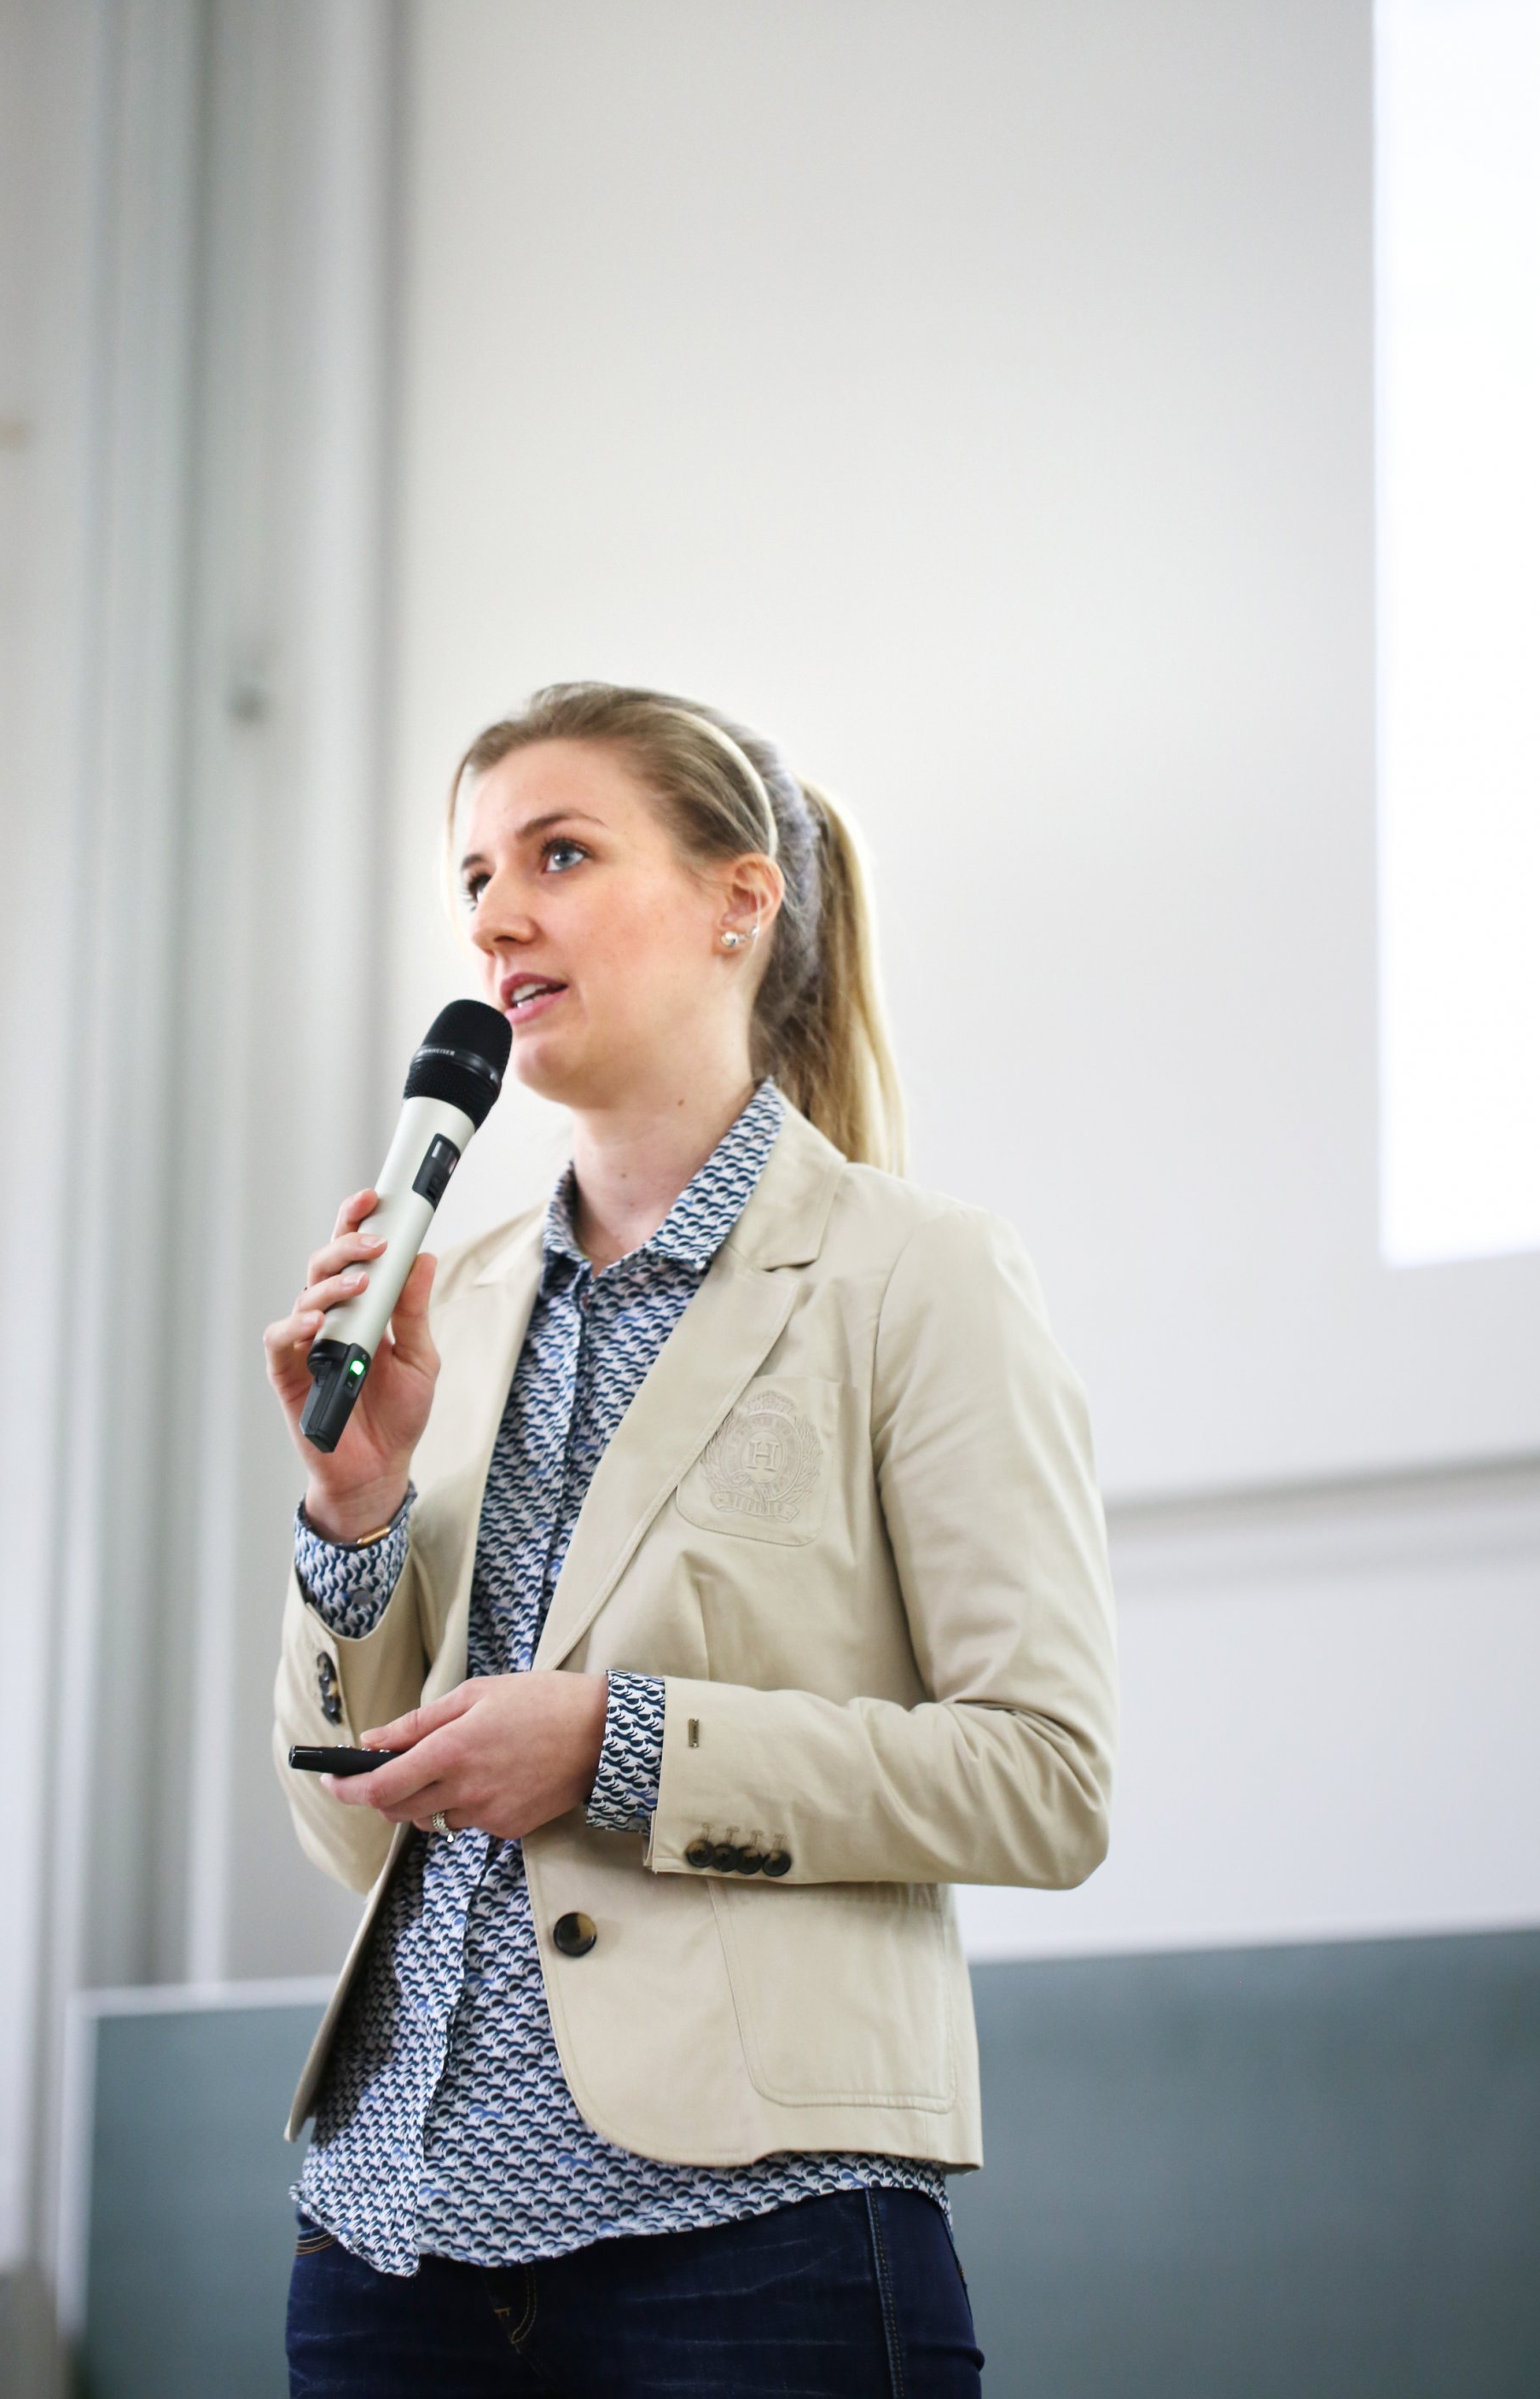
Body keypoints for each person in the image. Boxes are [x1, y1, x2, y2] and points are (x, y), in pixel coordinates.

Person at [264, 682, 1117, 2397]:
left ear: (743, 900)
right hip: (388, 2248)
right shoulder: (457, 1304)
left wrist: (619, 1748)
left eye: (561, 855)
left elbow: (1047, 1779)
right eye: (477, 878)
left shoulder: (913, 1275)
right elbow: (353, 1837)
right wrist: (350, 1513)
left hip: (755, 2247)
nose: (499, 916)